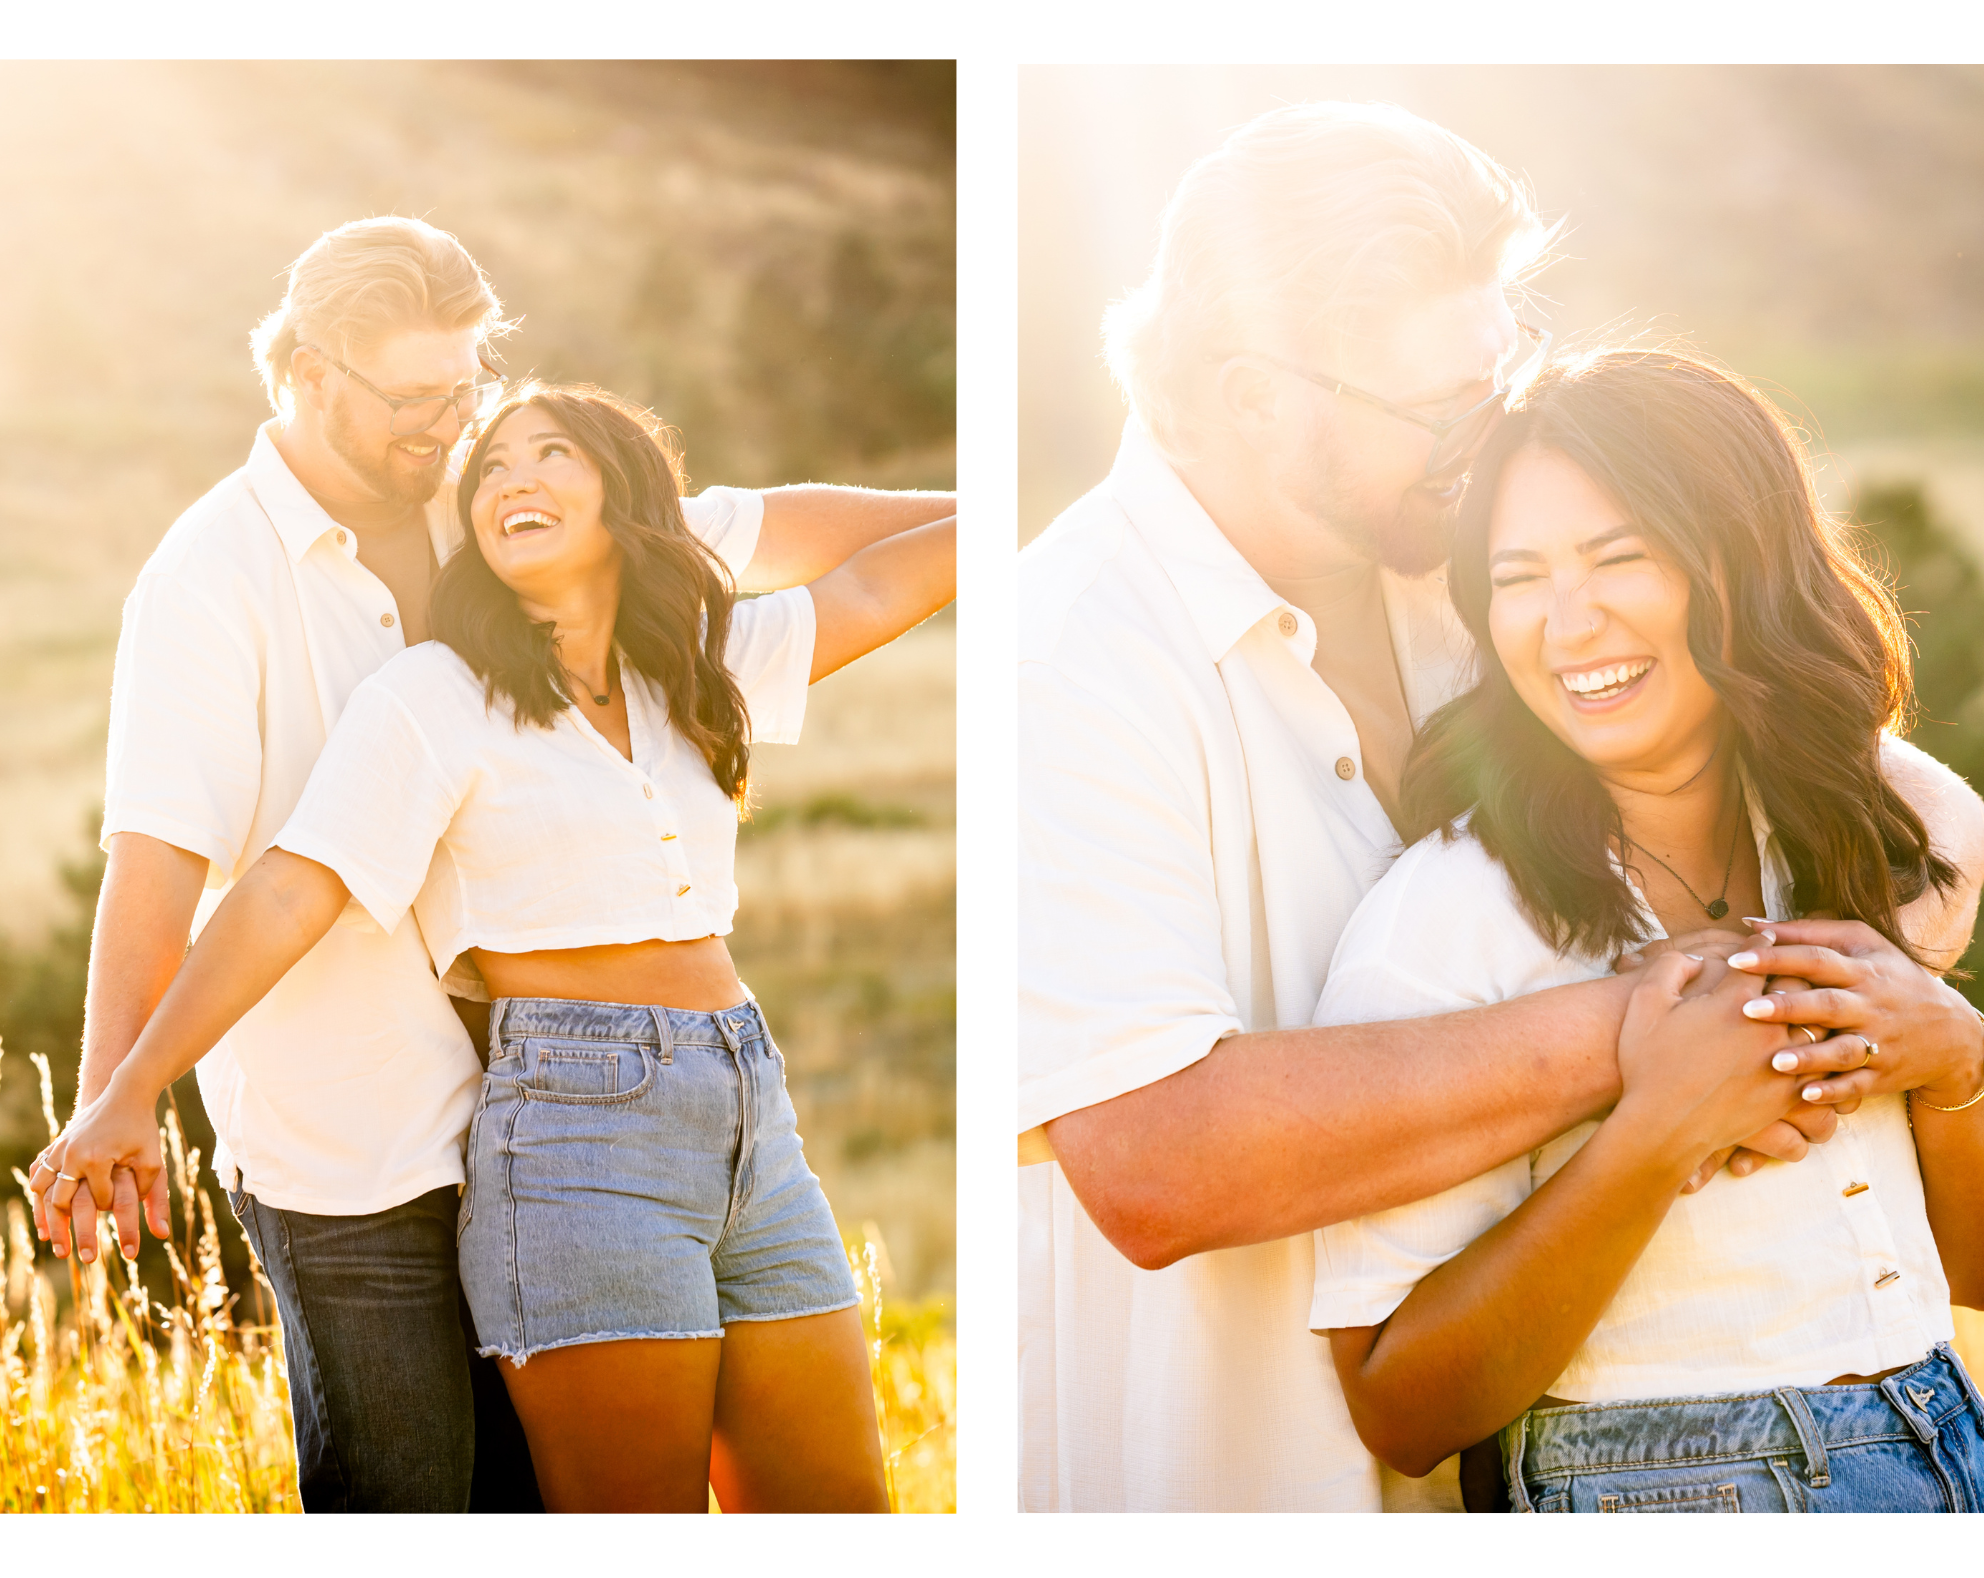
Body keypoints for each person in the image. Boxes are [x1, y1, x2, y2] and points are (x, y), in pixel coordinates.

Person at [1017, 100, 1984, 1511]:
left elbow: (1876, 806)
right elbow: (1153, 1160)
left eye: (1501, 369)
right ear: (1250, 398)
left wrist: (1921, 1027)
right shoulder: (1075, 653)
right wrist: (1687, 1028)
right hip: (1243, 1479)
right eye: (1441, 406)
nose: (1490, 434)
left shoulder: (1474, 567)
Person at [29, 217, 953, 1513]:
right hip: (364, 1138)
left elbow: (766, 543)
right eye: (417, 397)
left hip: (619, 1095)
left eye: (466, 386)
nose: (451, 423)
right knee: (418, 1501)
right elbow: (176, 864)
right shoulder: (220, 585)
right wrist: (119, 1094)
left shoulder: (508, 518)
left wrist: (996, 508)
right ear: (305, 374)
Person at [1312, 349, 1984, 1512]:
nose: (1568, 624)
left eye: (1619, 557)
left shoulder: (1876, 842)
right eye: (1518, 578)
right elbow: (1401, 1409)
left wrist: (1954, 1059)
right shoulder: (1442, 925)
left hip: (1940, 1447)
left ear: (1746, 561)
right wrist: (1653, 1137)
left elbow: (1969, 1271)